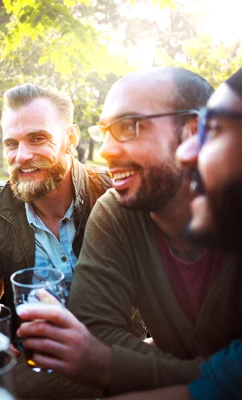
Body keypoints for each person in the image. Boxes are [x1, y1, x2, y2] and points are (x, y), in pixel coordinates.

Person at [17, 67, 242, 395]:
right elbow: (96, 331)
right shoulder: (116, 211)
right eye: (104, 131)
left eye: (128, 127)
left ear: (195, 131)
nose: (106, 151)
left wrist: (110, 365)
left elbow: (98, 355)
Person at [106, 67, 242, 400]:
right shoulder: (116, 210)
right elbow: (223, 381)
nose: (186, 153)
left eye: (215, 130)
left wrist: (102, 361)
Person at [0, 83, 111, 341]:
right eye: (12, 143)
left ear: (70, 139)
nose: (22, 156)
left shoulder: (111, 192)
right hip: (29, 363)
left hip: (114, 365)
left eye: (37, 138)